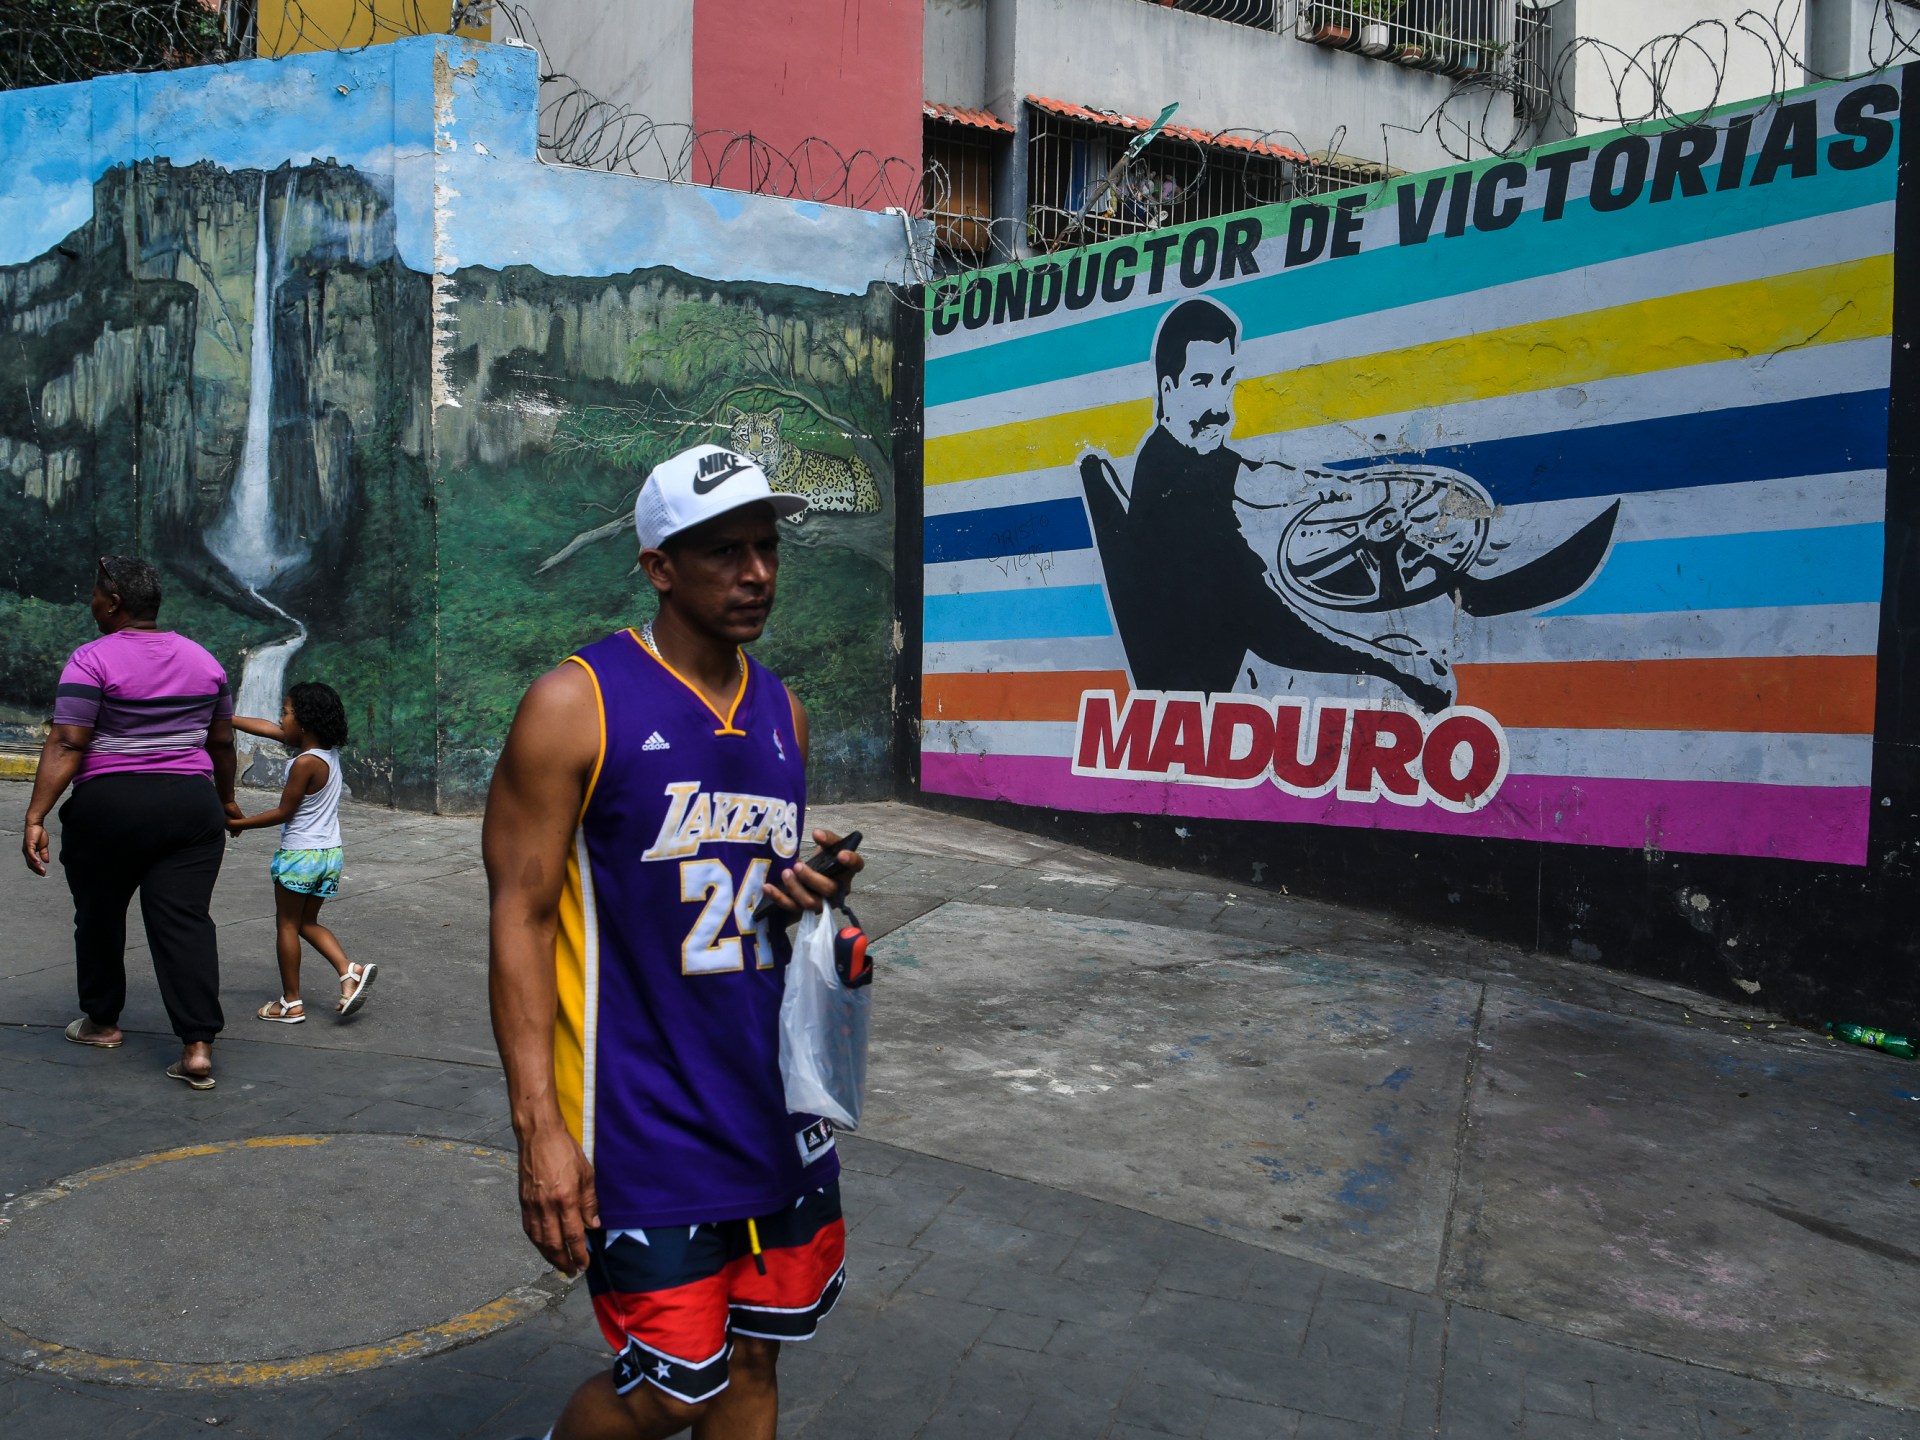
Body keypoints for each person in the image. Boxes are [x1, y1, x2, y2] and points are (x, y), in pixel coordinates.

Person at [486, 443, 864, 1440]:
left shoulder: (784, 713)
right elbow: (519, 917)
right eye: (725, 552)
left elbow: (738, 897)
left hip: (772, 1109)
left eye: (768, 548)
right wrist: (538, 1131)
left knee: (754, 1358)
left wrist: (809, 898)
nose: (758, 573)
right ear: (658, 566)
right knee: (668, 1387)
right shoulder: (575, 705)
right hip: (641, 1120)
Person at [20, 556, 237, 1091]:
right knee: (185, 920)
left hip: (110, 807)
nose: (91, 602)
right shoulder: (204, 660)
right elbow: (222, 743)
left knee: (99, 915)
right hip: (191, 807)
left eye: (96, 594)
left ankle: (102, 1023)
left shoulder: (91, 659)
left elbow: (68, 741)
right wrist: (225, 801)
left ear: (114, 603)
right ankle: (198, 1047)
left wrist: (36, 815)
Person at [226, 682, 376, 1023]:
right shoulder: (326, 754)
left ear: (305, 723)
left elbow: (284, 812)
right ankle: (349, 971)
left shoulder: (304, 764)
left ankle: (290, 1003)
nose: (280, 719)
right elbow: (270, 730)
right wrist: (226, 718)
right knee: (307, 922)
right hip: (329, 855)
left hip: (300, 857)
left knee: (287, 925)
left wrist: (239, 823)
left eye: (286, 712)